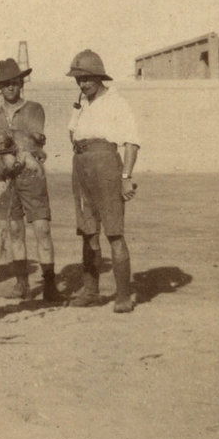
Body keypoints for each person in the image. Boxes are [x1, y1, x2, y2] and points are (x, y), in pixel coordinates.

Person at [66, 49, 140, 313]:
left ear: (99, 77)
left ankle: (123, 296)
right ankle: (91, 291)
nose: (82, 84)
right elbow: (73, 134)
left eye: (87, 78)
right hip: (81, 166)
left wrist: (126, 177)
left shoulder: (116, 102)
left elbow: (132, 142)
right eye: (79, 79)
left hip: (106, 165)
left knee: (114, 232)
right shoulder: (82, 103)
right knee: (88, 232)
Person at [0, 59, 64, 302]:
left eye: (14, 82)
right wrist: (17, 139)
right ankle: (22, 284)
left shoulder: (34, 109)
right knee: (14, 230)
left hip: (31, 175)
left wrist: (8, 138)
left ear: (21, 84)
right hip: (6, 178)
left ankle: (49, 284)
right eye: (5, 84)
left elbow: (35, 139)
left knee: (42, 228)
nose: (9, 87)